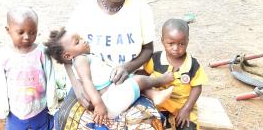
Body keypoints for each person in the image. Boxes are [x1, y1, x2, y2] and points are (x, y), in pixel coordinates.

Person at [55, 0, 164, 129]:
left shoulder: (141, 9)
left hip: (128, 81)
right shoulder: (83, 11)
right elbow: (65, 54)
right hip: (89, 85)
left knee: (147, 123)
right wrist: (77, 86)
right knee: (67, 120)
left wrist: (127, 67)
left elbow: (148, 50)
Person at [45, 28, 174, 125]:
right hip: (107, 104)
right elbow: (87, 82)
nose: (84, 41)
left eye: (81, 38)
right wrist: (99, 104)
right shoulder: (80, 60)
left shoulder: (83, 57)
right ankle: (160, 81)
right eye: (78, 42)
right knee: (138, 80)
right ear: (67, 56)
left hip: (111, 93)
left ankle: (153, 95)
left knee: (131, 78)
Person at [0, 7, 58, 130]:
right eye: (21, 32)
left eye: (32, 32)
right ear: (8, 30)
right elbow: (0, 83)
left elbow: (50, 78)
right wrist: (3, 109)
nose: (27, 36)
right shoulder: (3, 55)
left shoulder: (42, 52)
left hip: (40, 109)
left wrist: (52, 105)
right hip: (15, 113)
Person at [144, 19, 208, 130]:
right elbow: (144, 76)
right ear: (162, 40)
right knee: (149, 125)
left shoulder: (193, 65)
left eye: (181, 44)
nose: (176, 48)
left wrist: (186, 109)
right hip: (159, 105)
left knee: (188, 127)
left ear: (187, 41)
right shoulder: (155, 59)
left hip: (182, 106)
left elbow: (197, 88)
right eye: (171, 43)